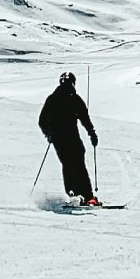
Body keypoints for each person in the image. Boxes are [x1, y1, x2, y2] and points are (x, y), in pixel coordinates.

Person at [38, 71, 99, 205]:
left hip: (58, 140)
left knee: (67, 165)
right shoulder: (74, 98)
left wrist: (48, 134)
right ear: (73, 83)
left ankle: (73, 194)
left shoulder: (52, 98)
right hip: (72, 138)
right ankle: (88, 197)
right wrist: (92, 134)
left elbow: (42, 120)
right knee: (79, 166)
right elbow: (84, 118)